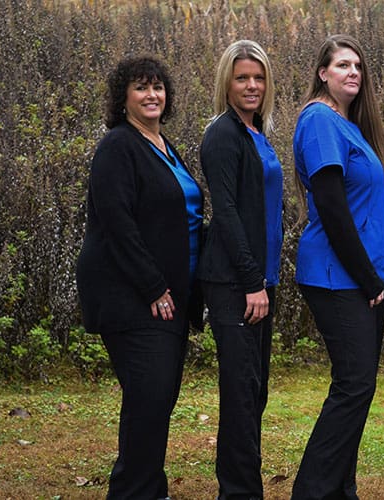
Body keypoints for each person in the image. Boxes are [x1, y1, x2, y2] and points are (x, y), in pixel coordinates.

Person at [76, 55, 203, 499]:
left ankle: (148, 487)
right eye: (141, 88)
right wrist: (151, 285)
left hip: (169, 297)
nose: (152, 95)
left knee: (157, 401)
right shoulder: (118, 145)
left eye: (158, 88)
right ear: (123, 98)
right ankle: (135, 491)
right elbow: (116, 220)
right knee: (148, 401)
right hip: (134, 297)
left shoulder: (162, 145)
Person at [290, 34, 384, 500]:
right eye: (342, 65)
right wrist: (367, 277)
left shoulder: (350, 125)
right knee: (354, 385)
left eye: (358, 65)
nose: (352, 72)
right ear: (323, 72)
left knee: (358, 386)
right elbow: (332, 207)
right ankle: (311, 491)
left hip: (363, 276)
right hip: (338, 276)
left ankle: (340, 490)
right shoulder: (319, 120)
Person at [198, 40, 283, 499]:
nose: (252, 85)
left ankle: (242, 485)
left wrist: (264, 280)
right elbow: (226, 213)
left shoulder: (257, 132)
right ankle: (238, 491)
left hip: (258, 281)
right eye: (241, 77)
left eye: (259, 77)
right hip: (234, 283)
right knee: (240, 390)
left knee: (255, 390)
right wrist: (252, 281)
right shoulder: (223, 134)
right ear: (226, 84)